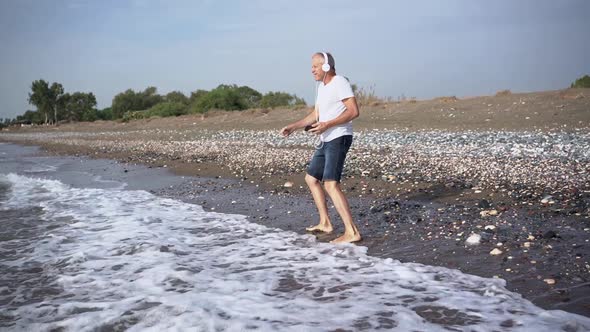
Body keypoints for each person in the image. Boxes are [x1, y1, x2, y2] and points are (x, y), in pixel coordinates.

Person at [280, 52, 362, 244]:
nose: (312, 70)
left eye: (315, 66)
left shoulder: (339, 82)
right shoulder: (322, 87)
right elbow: (316, 114)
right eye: (312, 67)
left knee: (330, 184)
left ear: (326, 67)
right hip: (326, 139)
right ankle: (325, 222)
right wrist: (293, 126)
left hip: (339, 137)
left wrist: (328, 124)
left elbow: (354, 111)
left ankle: (352, 232)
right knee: (311, 179)